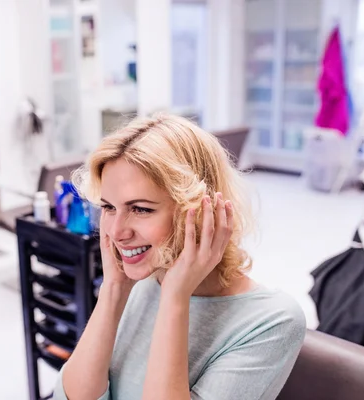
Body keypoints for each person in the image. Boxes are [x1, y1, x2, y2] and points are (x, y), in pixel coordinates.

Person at [54, 114, 306, 399]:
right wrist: (113, 289)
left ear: (200, 212)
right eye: (109, 207)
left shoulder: (274, 321)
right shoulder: (142, 278)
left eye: (140, 209)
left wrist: (175, 298)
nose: (116, 232)